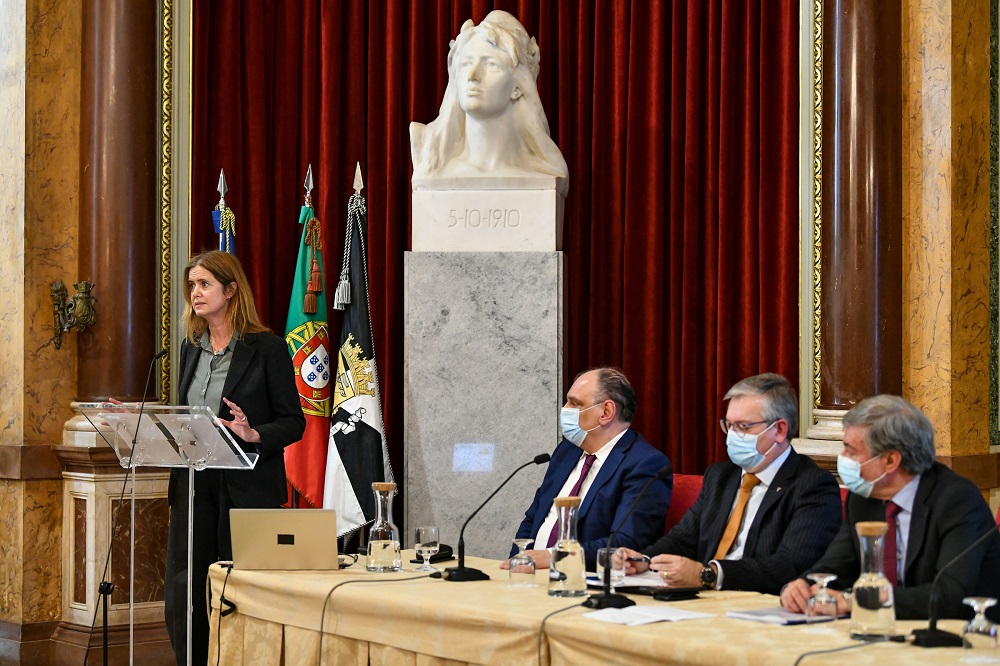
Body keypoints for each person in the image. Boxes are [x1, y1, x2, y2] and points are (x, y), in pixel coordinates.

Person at [163, 251, 305, 665]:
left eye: (204, 284)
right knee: (186, 590)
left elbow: (294, 422)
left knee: (234, 593)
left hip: (244, 490)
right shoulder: (191, 350)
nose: (196, 293)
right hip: (193, 486)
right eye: (192, 285)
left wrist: (253, 432)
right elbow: (186, 416)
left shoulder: (267, 349)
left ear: (230, 290)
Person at [618, 373, 841, 595]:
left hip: (757, 606)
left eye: (743, 426)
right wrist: (643, 560)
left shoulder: (813, 485)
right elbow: (682, 539)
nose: (732, 435)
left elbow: (790, 564)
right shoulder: (721, 476)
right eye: (729, 425)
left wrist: (709, 574)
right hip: (704, 601)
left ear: (780, 430)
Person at [781, 395, 1000, 620]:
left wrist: (858, 601)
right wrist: (801, 586)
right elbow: (835, 566)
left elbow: (950, 596)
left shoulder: (957, 500)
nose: (842, 458)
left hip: (964, 636)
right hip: (885, 631)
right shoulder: (864, 498)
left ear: (890, 461)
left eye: (851, 450)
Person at [502, 367, 671, 572]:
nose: (565, 408)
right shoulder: (566, 452)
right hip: (532, 577)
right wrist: (518, 562)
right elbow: (533, 518)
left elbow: (624, 544)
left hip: (587, 583)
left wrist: (554, 557)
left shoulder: (645, 464)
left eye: (575, 403)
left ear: (606, 412)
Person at [409, 10, 569, 195]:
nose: (472, 76)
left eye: (491, 65)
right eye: (466, 64)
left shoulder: (547, 173)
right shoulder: (429, 158)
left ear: (518, 87)